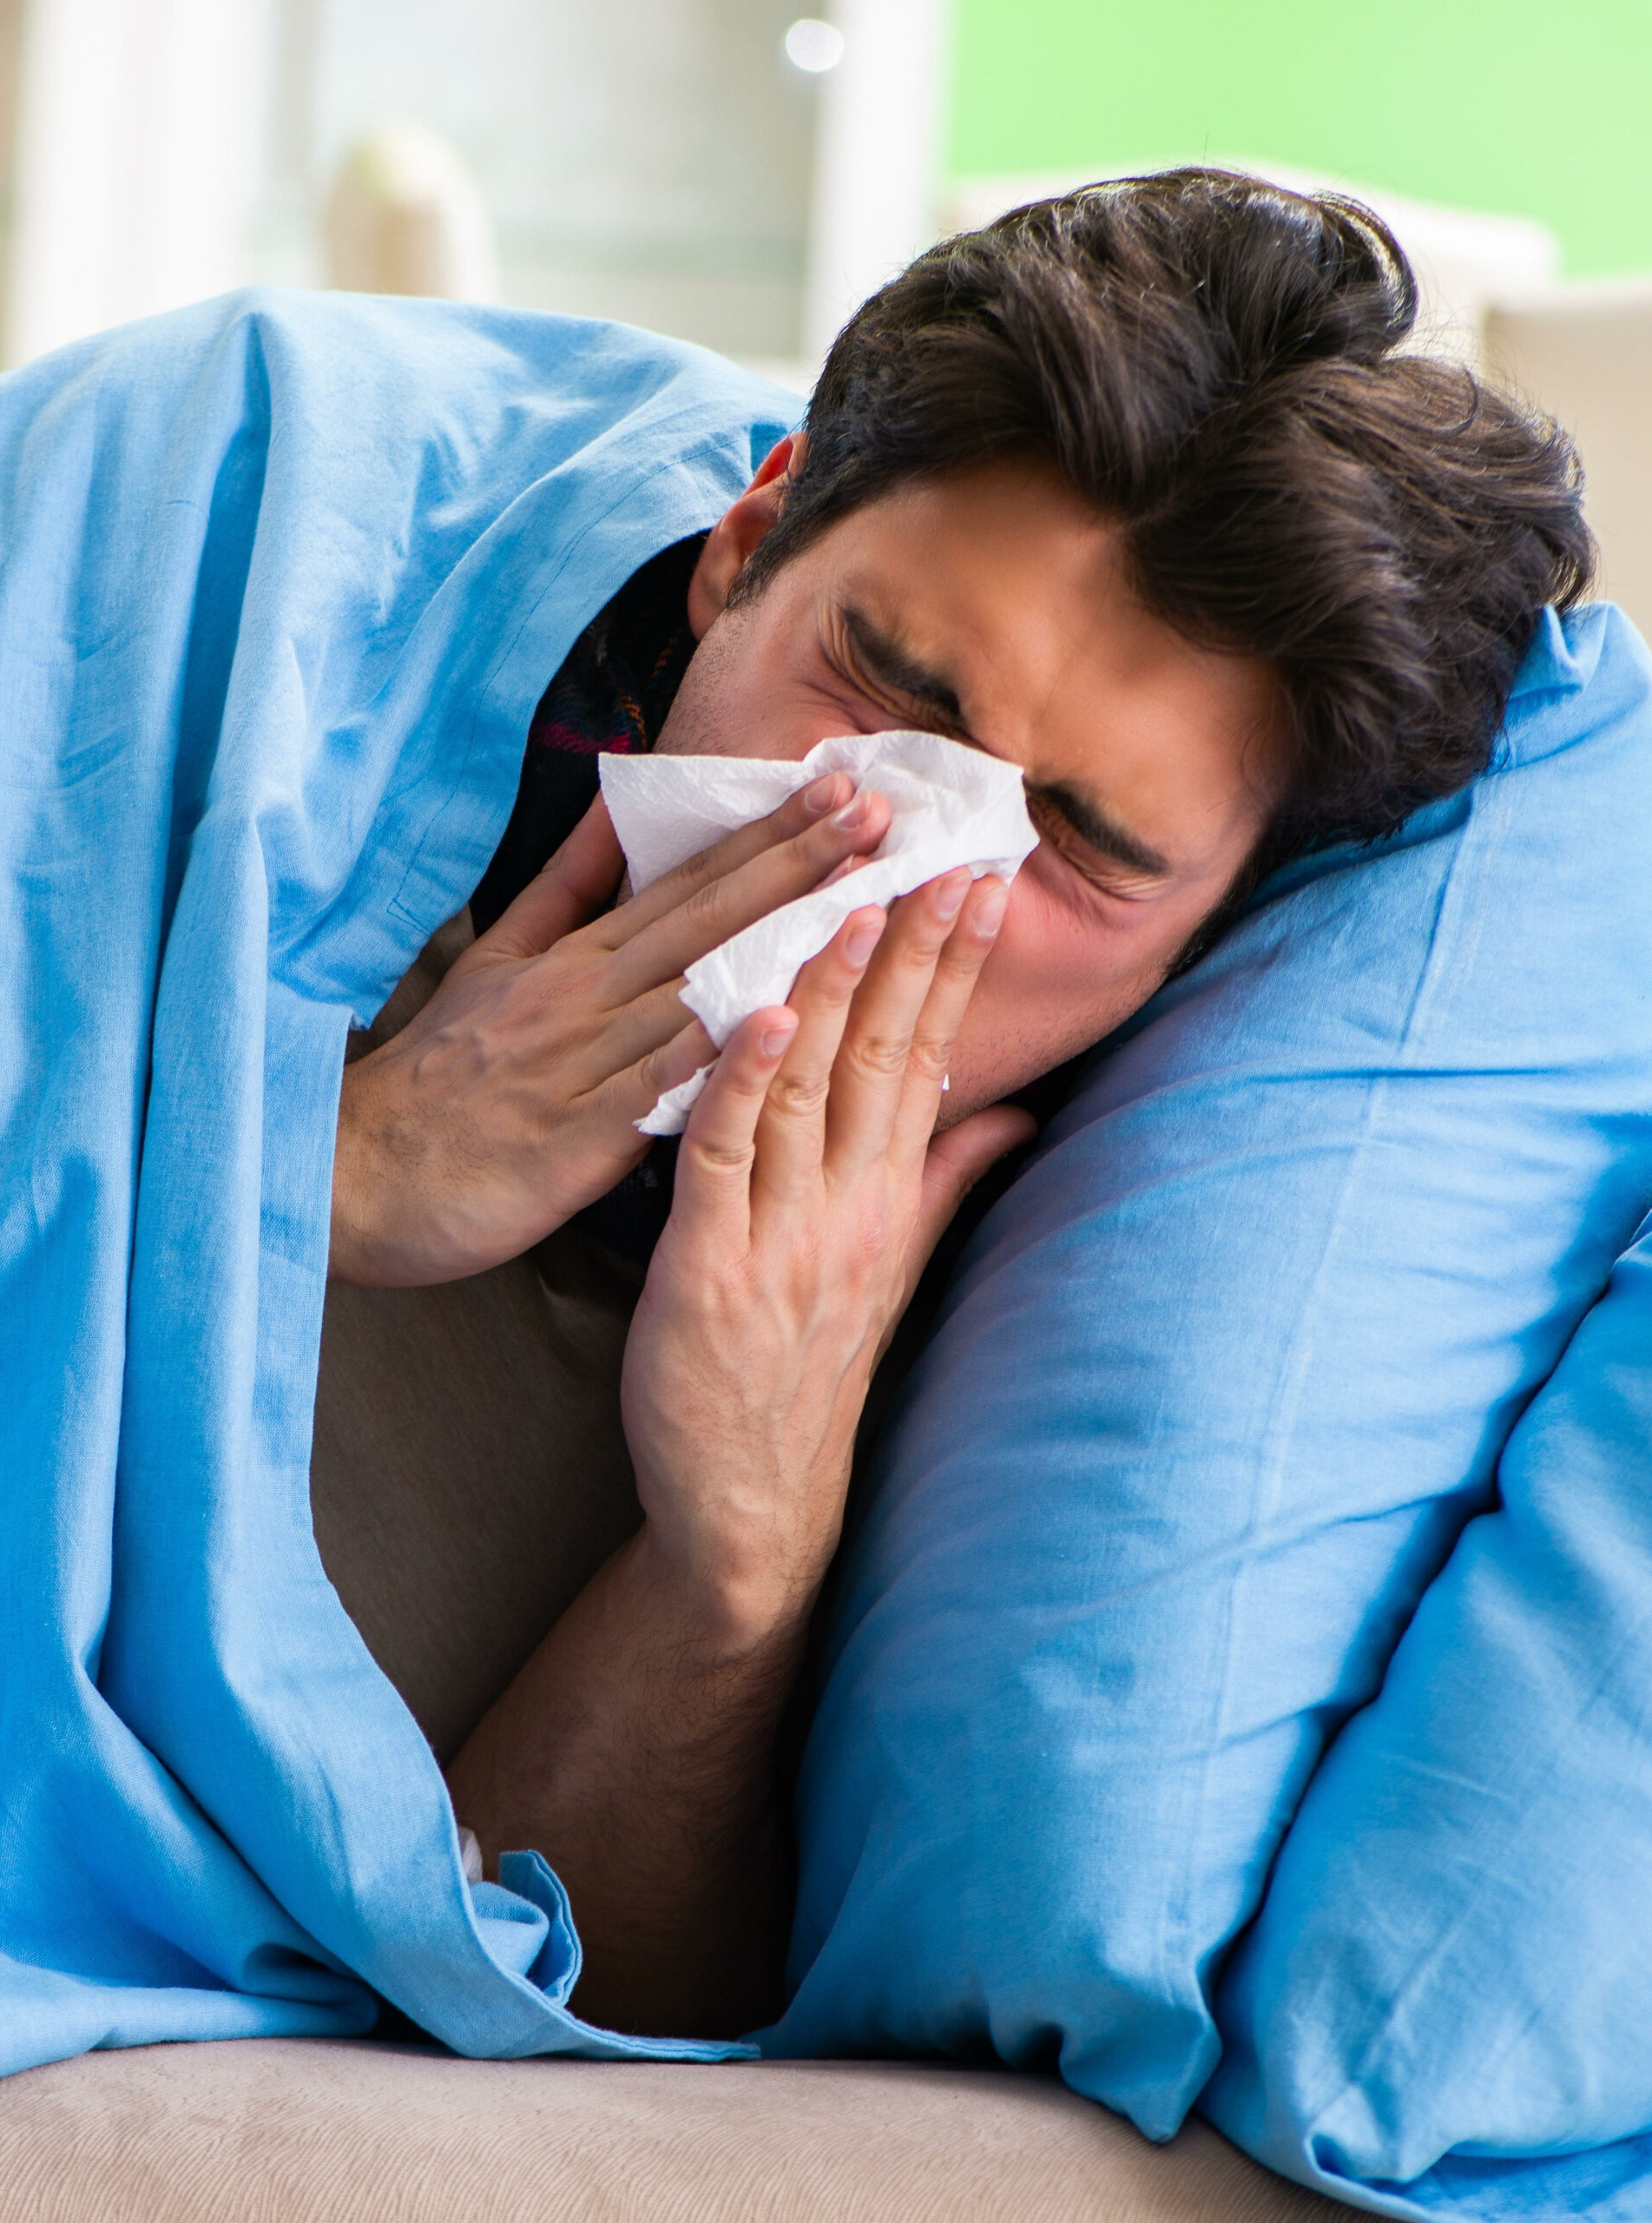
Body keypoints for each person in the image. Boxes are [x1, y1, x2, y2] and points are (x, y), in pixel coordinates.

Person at [325, 168, 1591, 2037]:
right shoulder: (307, 801)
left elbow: (506, 2024)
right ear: (743, 549)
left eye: (1071, 844)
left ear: (1203, 947)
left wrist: (731, 1561)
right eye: (884, 683)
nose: (884, 869)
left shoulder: (1031, 1324)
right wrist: (327, 1177)